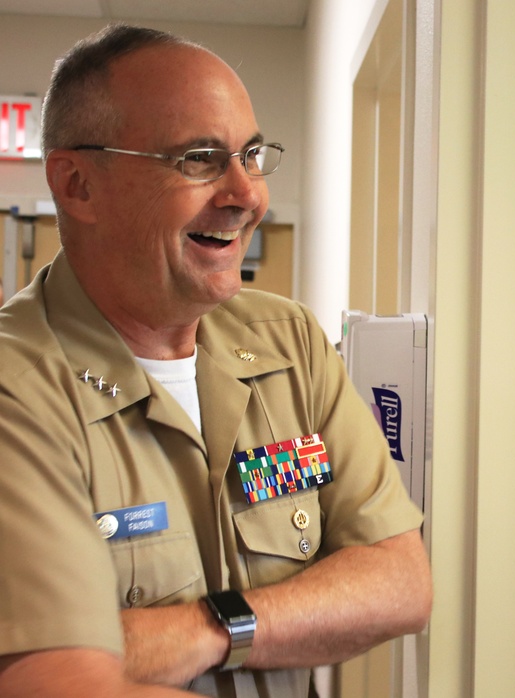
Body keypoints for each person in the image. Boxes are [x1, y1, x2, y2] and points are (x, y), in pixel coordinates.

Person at [0, 24, 431, 698]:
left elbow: (401, 580)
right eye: (199, 159)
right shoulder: (20, 390)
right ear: (79, 184)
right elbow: (59, 684)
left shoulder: (288, 343)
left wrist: (211, 628)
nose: (248, 194)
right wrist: (298, 615)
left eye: (251, 155)